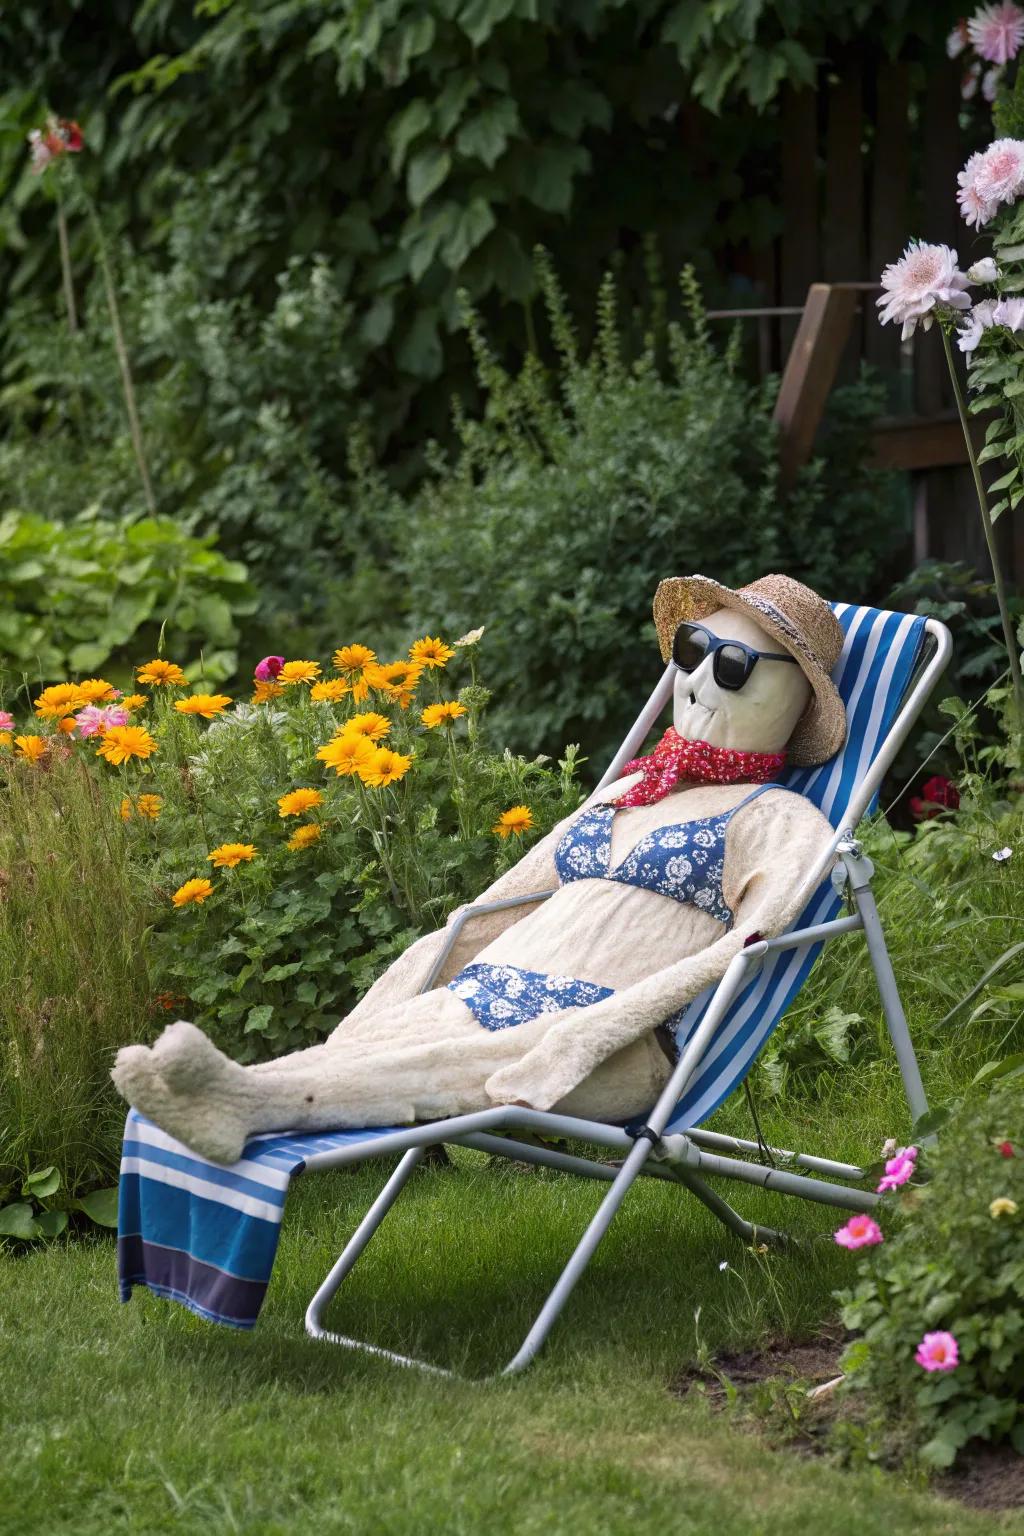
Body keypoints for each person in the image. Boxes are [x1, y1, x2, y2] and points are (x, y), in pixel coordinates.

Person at [112, 573, 846, 1164]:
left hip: (611, 1042)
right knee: (399, 1039)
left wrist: (598, 1026)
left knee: (435, 1068)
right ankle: (233, 1095)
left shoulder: (776, 820)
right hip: (494, 991)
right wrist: (426, 970)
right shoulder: (633, 790)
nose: (699, 681)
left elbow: (751, 943)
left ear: (793, 699)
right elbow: (508, 899)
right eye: (692, 651)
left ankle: (246, 1105)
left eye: (735, 665)